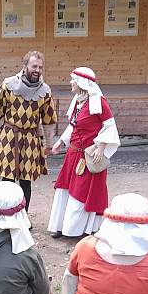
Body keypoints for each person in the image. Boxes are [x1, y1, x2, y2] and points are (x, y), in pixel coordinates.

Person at [48, 67, 120, 238]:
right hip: (72, 154)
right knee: (65, 188)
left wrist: (101, 148)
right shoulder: (78, 101)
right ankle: (61, 226)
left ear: (82, 83)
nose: (70, 82)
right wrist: (61, 141)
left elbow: (110, 126)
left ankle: (75, 230)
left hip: (87, 156)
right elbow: (74, 125)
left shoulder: (98, 102)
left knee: (80, 192)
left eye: (73, 79)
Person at [0, 50, 57, 211]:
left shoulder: (45, 91)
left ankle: (23, 218)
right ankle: (5, 215)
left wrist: (48, 144)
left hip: (31, 138)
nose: (37, 70)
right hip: (9, 136)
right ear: (25, 66)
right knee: (7, 179)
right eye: (34, 66)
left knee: (26, 180)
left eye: (40, 67)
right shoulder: (8, 85)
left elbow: (48, 119)